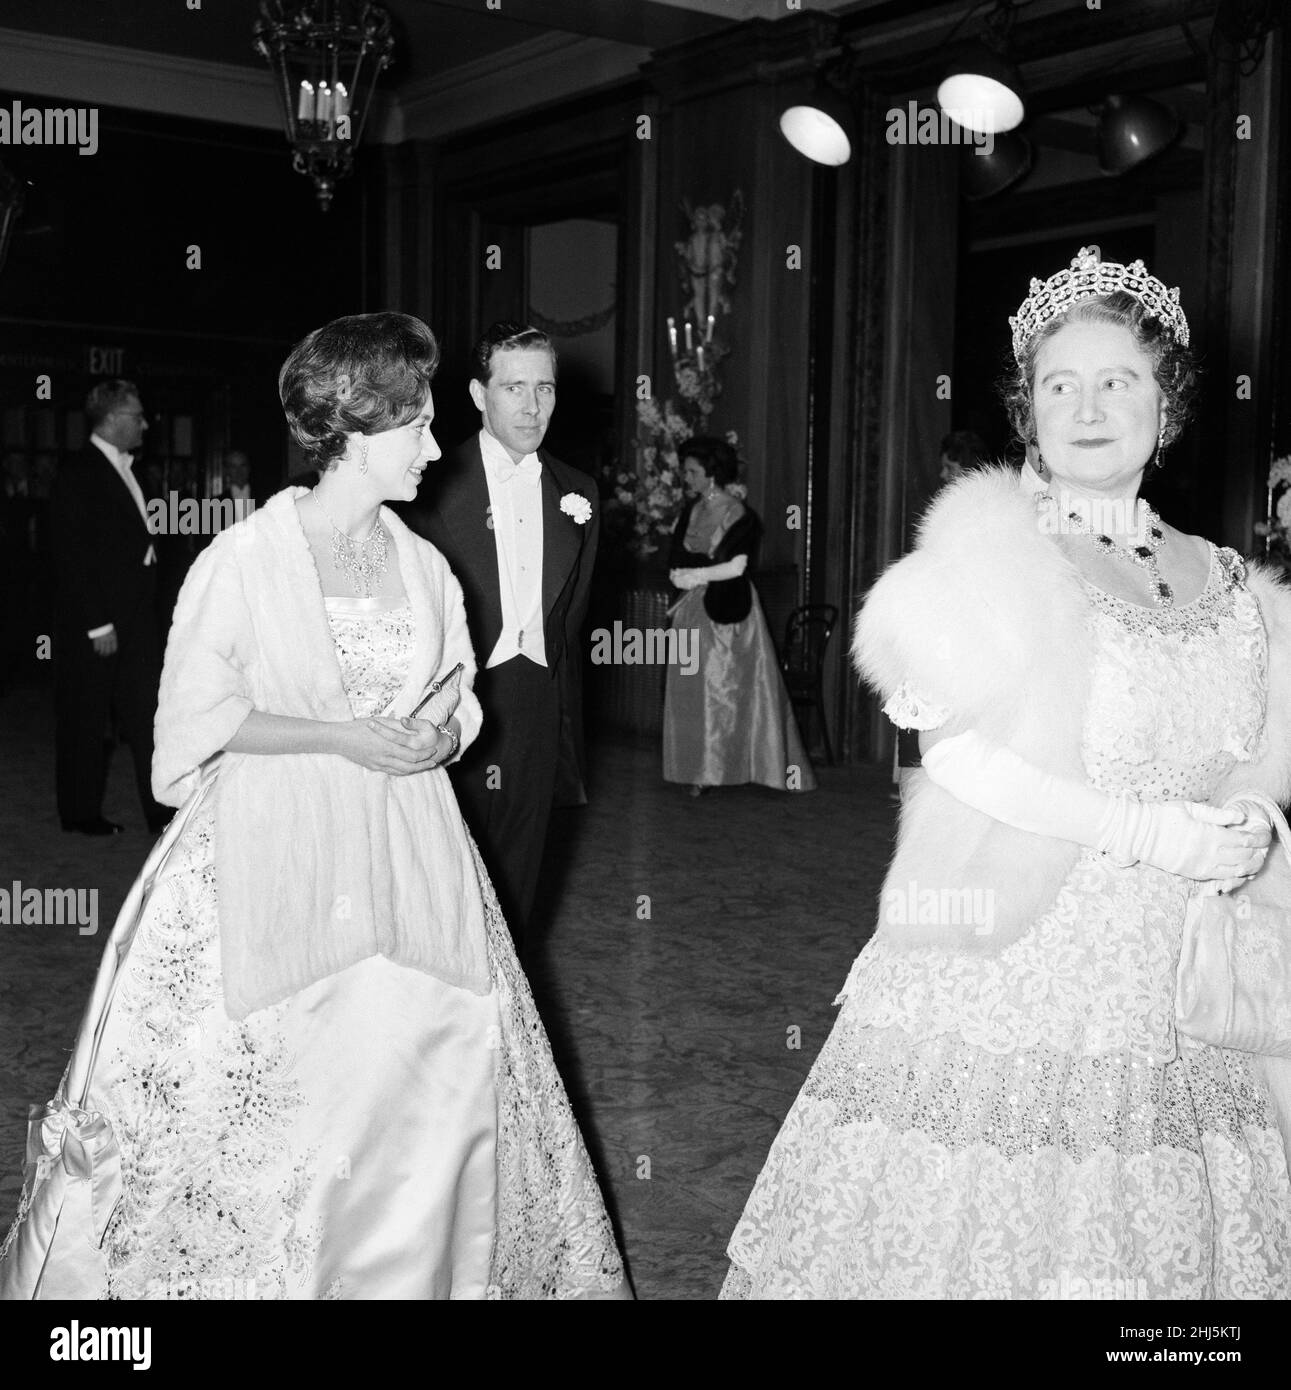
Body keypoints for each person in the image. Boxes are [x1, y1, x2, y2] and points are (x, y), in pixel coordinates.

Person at [1, 312, 627, 1300]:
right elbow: (185, 745)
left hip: (416, 848)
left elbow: (462, 695)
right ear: (354, 428)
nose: (434, 445)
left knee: (427, 1069)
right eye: (417, 425)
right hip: (271, 842)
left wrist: (445, 736)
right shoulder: (243, 560)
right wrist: (339, 737)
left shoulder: (422, 564)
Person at [721, 247, 1291, 1299]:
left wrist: (1248, 818)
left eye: (1117, 380)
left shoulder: (1235, 587)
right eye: (1057, 385)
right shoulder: (986, 558)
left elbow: (1254, 751)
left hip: (1184, 972)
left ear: (1165, 406)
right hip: (1019, 955)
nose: (1086, 407)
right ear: (1026, 413)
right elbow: (961, 755)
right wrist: (1151, 832)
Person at [401, 322, 599, 948]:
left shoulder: (580, 492)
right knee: (438, 879)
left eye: (545, 388)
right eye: (514, 387)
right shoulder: (424, 483)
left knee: (519, 888)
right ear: (479, 394)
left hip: (538, 702)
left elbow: (570, 623)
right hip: (451, 705)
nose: (532, 405)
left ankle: (499, 1023)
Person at [662, 437, 816, 796]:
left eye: (692, 471)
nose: (686, 477)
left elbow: (737, 565)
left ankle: (737, 763)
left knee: (726, 688)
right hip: (691, 609)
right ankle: (696, 766)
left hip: (727, 611)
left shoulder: (737, 512)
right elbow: (675, 556)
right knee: (692, 689)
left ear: (711, 474)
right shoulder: (690, 511)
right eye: (685, 471)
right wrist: (678, 576)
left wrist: (696, 575)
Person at [50, 379, 169, 835]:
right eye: (137, 416)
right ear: (112, 419)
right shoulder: (77, 472)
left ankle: (160, 810)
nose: (145, 423)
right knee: (86, 718)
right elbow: (71, 556)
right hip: (96, 623)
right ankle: (80, 815)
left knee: (149, 716)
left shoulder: (137, 471)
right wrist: (98, 625)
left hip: (137, 618)